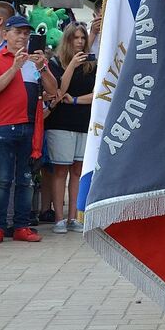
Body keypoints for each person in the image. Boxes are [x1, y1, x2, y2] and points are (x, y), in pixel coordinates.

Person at [0, 15, 59, 244]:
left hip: (29, 128)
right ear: (5, 34)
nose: (23, 37)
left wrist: (43, 68)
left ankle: (21, 226)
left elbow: (53, 90)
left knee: (25, 180)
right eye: (18, 32)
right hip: (4, 127)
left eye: (26, 33)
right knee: (2, 180)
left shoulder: (34, 61)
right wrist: (15, 67)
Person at [45, 23, 96, 234]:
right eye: (75, 38)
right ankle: (59, 218)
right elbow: (58, 91)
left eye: (83, 38)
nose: (80, 42)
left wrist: (75, 100)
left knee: (77, 170)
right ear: (67, 40)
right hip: (60, 123)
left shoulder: (91, 64)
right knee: (60, 170)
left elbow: (98, 94)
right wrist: (72, 66)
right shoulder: (56, 63)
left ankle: (73, 217)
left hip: (83, 123)